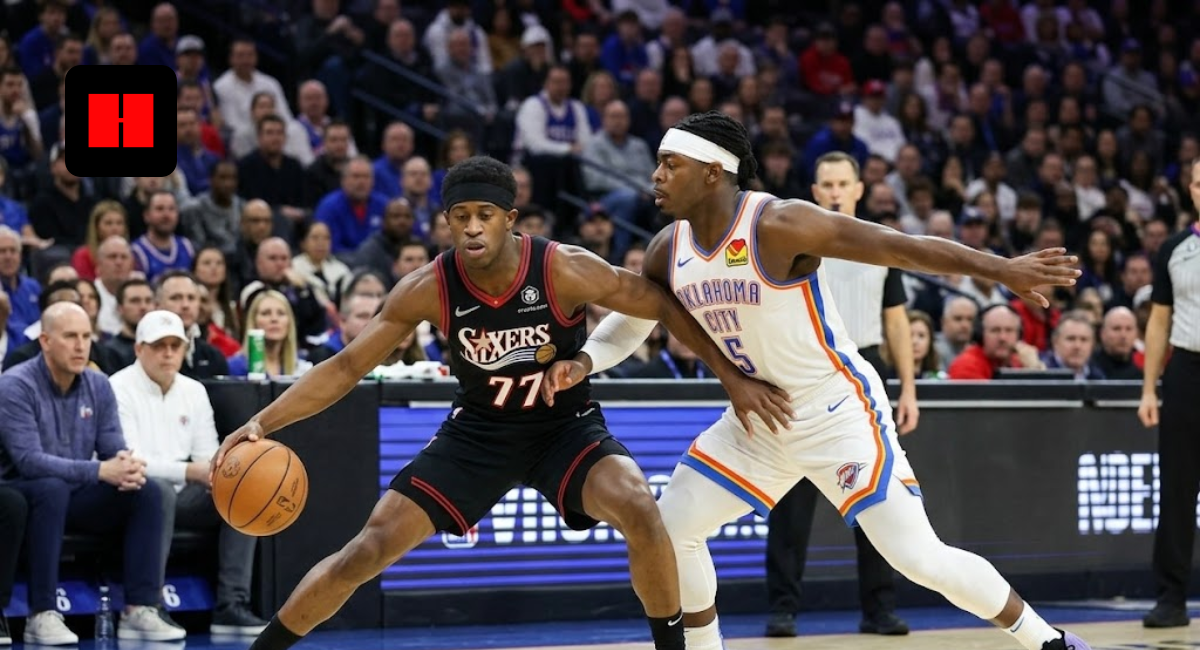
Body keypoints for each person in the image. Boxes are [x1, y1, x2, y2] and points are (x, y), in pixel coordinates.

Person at [543, 111, 1090, 650]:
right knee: (672, 527)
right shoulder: (668, 246)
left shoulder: (779, 224)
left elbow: (897, 245)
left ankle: (1048, 641)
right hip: (756, 422)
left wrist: (1002, 269)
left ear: (713, 171)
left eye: (669, 163)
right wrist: (588, 360)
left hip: (835, 412)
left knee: (918, 557)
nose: (655, 175)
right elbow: (639, 312)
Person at [210, 156, 791, 650]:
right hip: (479, 433)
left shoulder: (562, 267)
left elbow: (660, 304)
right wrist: (262, 422)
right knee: (367, 550)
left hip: (564, 427)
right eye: (459, 217)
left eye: (484, 215)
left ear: (510, 220)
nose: (471, 228)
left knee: (640, 505)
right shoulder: (427, 287)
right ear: (445, 223)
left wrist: (732, 379)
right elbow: (345, 367)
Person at [762, 150, 916, 638]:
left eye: (842, 184)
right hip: (802, 372)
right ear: (813, 191)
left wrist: (909, 387)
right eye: (825, 184)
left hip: (866, 370)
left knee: (876, 498)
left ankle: (879, 609)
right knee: (791, 502)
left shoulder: (879, 244)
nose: (833, 192)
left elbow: (896, 319)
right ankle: (783, 608)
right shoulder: (791, 242)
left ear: (858, 189)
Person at [0, 302, 185, 644]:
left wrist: (125, 466)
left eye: (86, 336)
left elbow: (113, 444)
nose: (80, 345)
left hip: (77, 493)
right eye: (70, 336)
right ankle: (42, 613)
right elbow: (28, 460)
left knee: (150, 490)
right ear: (45, 341)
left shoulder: (98, 384)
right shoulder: (16, 384)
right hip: (24, 493)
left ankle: (140, 608)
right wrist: (101, 469)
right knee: (51, 487)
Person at [109, 310, 268, 634]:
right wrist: (189, 472)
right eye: (159, 345)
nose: (168, 353)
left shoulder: (193, 390)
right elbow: (130, 461)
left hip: (185, 496)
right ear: (139, 349)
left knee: (243, 493)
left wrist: (218, 476)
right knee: (158, 491)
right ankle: (146, 605)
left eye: (175, 345)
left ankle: (231, 605)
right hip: (134, 495)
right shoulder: (118, 387)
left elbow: (208, 455)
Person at [1138, 157, 1200, 628]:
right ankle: (1171, 596)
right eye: (1199, 183)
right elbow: (1158, 319)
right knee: (1177, 486)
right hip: (1187, 370)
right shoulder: (1176, 248)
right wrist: (1149, 388)